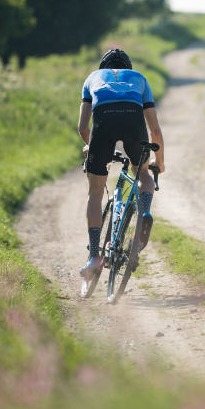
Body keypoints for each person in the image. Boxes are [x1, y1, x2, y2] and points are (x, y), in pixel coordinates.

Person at [77, 48, 165, 286]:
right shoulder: (139, 79)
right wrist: (160, 162)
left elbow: (83, 127)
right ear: (128, 67)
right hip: (133, 121)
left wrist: (92, 146)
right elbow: (155, 131)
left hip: (103, 122)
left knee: (96, 192)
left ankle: (94, 257)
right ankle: (145, 213)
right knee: (143, 175)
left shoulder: (92, 78)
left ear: (102, 67)